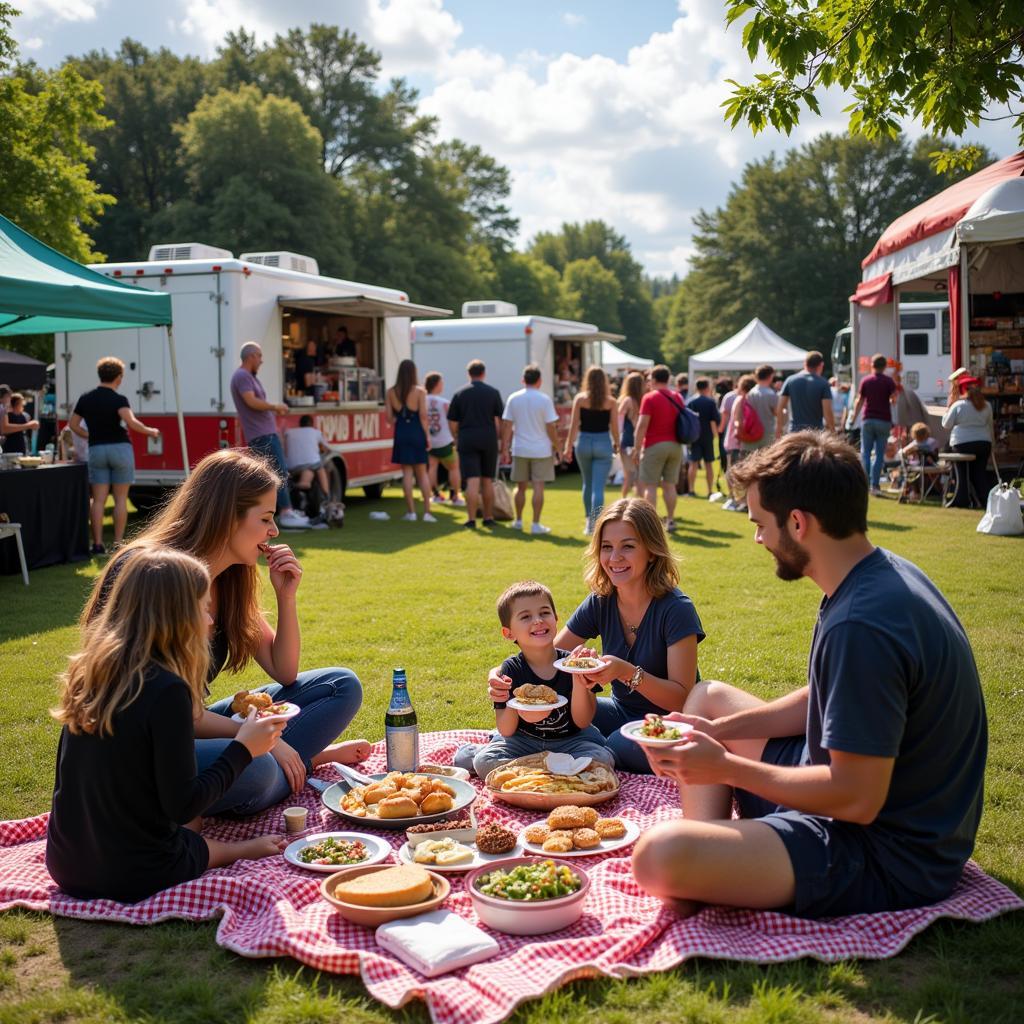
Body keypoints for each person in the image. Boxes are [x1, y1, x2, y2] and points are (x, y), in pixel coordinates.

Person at [631, 431, 987, 920]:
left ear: (797, 523)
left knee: (658, 855)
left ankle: (705, 861)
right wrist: (718, 733)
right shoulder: (877, 573)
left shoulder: (861, 623)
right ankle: (716, 852)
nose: (757, 538)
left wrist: (725, 768)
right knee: (708, 698)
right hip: (868, 802)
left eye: (760, 524)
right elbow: (827, 695)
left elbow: (856, 799)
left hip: (887, 851)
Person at [83, 448, 369, 818]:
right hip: (143, 742)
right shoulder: (152, 572)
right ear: (226, 516)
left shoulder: (232, 576)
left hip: (194, 721)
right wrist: (266, 743)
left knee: (340, 686)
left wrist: (287, 597)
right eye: (265, 517)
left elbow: (284, 671)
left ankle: (272, 767)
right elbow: (160, 707)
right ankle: (304, 763)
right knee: (260, 768)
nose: (274, 531)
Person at [47, 548, 289, 903]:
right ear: (173, 617)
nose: (210, 621)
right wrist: (243, 748)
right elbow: (184, 805)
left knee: (179, 835)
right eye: (203, 609)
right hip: (133, 872)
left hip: (66, 864)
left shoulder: (93, 672)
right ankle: (234, 850)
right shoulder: (167, 689)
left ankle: (222, 847)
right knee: (186, 844)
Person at [495, 497, 704, 775]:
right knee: (558, 719)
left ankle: (589, 753)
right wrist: (500, 676)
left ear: (652, 551)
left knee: (616, 743)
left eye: (627, 546)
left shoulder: (676, 609)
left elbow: (681, 698)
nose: (614, 558)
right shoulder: (602, 600)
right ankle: (504, 747)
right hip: (619, 712)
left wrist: (624, 671)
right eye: (607, 547)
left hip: (669, 722)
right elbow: (548, 657)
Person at [453, 581, 616, 779]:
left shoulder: (574, 663)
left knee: (603, 759)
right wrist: (519, 705)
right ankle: (557, 770)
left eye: (544, 613)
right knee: (484, 762)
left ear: (556, 619)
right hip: (523, 741)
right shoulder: (510, 670)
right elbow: (506, 729)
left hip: (571, 739)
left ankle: (531, 770)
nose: (538, 620)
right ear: (509, 633)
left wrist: (578, 678)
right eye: (526, 616)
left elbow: (582, 722)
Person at [69, 356, 161, 555]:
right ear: (118, 377)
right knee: (121, 499)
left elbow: (73, 425)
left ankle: (98, 544)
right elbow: (132, 422)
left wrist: (89, 434)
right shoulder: (119, 399)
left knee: (99, 500)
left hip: (96, 450)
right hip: (120, 449)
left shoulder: (86, 398)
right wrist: (151, 431)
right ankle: (118, 544)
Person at [230, 342, 307, 530]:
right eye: (259, 356)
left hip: (264, 433)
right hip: (261, 434)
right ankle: (286, 513)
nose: (262, 361)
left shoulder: (247, 376)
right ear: (251, 356)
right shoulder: (242, 376)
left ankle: (277, 513)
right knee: (277, 473)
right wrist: (274, 406)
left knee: (274, 473)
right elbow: (251, 401)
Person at [502, 364, 560, 535]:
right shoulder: (544, 399)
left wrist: (504, 448)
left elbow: (507, 425)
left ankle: (518, 521)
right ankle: (535, 524)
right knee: (538, 488)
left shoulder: (514, 398)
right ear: (539, 381)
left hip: (520, 448)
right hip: (541, 450)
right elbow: (551, 427)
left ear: (523, 380)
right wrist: (558, 446)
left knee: (520, 488)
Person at [447, 359, 504, 529]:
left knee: (472, 480)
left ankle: (471, 519)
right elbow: (499, 419)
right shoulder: (493, 392)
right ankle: (488, 517)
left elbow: (452, 421)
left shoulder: (460, 393)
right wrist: (500, 439)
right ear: (483, 373)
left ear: (468, 374)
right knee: (487, 480)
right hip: (488, 438)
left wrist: (456, 436)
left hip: (467, 438)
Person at [564, 365, 620, 535]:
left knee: (587, 483)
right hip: (603, 443)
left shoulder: (580, 399)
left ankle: (589, 521)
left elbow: (574, 426)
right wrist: (617, 443)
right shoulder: (611, 402)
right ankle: (596, 524)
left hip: (584, 443)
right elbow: (615, 428)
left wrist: (568, 447)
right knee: (598, 487)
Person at [633, 365, 685, 532]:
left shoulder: (649, 398)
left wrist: (636, 448)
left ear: (654, 380)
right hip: (675, 445)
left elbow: (642, 426)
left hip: (654, 445)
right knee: (670, 486)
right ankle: (670, 520)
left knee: (650, 486)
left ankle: (651, 524)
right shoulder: (677, 397)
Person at [386, 359, 435, 523]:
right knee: (422, 474)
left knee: (406, 473)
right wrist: (427, 436)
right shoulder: (420, 391)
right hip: (417, 432)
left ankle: (411, 513)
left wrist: (399, 417)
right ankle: (427, 512)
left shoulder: (391, 392)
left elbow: (389, 418)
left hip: (401, 432)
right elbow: (423, 416)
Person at [848, 354, 898, 497]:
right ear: (884, 366)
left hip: (868, 419)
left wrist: (852, 418)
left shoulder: (866, 380)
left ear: (872, 365)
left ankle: (865, 484)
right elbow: (894, 400)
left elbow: (859, 401)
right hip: (883, 420)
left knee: (865, 453)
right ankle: (875, 485)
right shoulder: (889, 381)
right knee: (879, 454)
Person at [942, 385, 994, 509]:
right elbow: (990, 425)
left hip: (962, 443)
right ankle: (986, 501)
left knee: (961, 473)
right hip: (983, 443)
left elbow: (946, 424)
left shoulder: (958, 405)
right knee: (980, 474)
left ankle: (962, 500)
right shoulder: (987, 405)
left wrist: (948, 408)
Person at [424, 372, 464, 506]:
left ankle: (435, 495)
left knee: (432, 467)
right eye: (441, 383)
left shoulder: (422, 400)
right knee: (454, 467)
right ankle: (455, 496)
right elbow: (452, 421)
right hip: (444, 440)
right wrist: (455, 436)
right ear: (436, 384)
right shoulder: (445, 403)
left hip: (430, 440)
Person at [283, 414, 331, 526]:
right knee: (320, 468)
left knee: (310, 468)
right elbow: (327, 448)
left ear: (300, 424)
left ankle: (299, 486)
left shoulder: (289, 432)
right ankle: (326, 495)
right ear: (311, 424)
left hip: (291, 466)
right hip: (310, 464)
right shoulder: (316, 432)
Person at [776, 352, 834, 434]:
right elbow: (827, 412)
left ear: (805, 364)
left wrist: (779, 428)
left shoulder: (790, 380)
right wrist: (832, 431)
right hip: (815, 433)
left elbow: (780, 407)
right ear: (821, 365)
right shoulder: (823, 383)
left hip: (794, 432)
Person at [733, 364, 777, 463]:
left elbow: (740, 414)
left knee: (747, 463)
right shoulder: (771, 394)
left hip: (749, 433)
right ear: (770, 376)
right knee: (765, 463)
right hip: (767, 434)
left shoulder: (749, 394)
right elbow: (776, 412)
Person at [684, 379, 721, 497]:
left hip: (693, 436)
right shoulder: (710, 402)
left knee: (693, 463)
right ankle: (710, 490)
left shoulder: (690, 401)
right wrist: (716, 434)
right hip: (707, 435)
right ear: (707, 387)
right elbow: (715, 420)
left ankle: (691, 490)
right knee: (708, 463)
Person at [618, 371, 645, 499]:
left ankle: (624, 499)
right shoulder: (643, 400)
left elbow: (619, 421)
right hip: (639, 442)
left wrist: (616, 439)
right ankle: (638, 502)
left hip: (628, 441)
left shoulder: (627, 400)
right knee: (638, 475)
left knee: (630, 474)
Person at [718, 378, 742, 510]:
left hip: (732, 438)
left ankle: (734, 498)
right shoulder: (752, 396)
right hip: (750, 438)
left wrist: (720, 431)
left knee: (731, 469)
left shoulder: (730, 397)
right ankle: (742, 499)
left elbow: (724, 418)